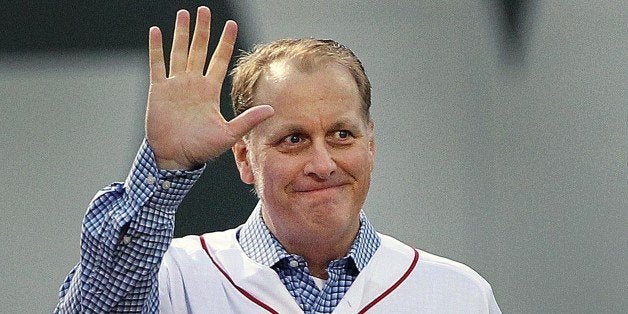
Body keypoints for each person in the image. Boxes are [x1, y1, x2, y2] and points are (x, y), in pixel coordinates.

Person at [55, 6, 500, 313]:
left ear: (371, 145)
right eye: (293, 139)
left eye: (342, 135)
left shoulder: (457, 295)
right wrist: (166, 168)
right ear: (245, 159)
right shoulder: (175, 278)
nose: (323, 163)